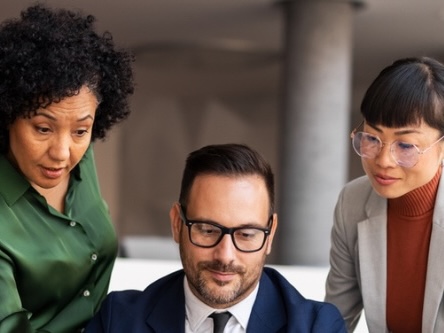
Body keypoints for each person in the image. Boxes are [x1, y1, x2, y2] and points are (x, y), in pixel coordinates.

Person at [85, 143, 346, 333]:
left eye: (246, 234)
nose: (225, 256)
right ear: (177, 223)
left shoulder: (316, 327)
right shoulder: (119, 321)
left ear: (270, 234)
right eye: (208, 230)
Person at [0, 3, 134, 333]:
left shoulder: (80, 159)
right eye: (43, 129)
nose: (62, 153)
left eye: (81, 130)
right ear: (7, 116)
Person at [325, 56, 444, 333]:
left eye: (405, 145)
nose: (383, 160)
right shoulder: (352, 202)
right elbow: (335, 319)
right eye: (371, 138)